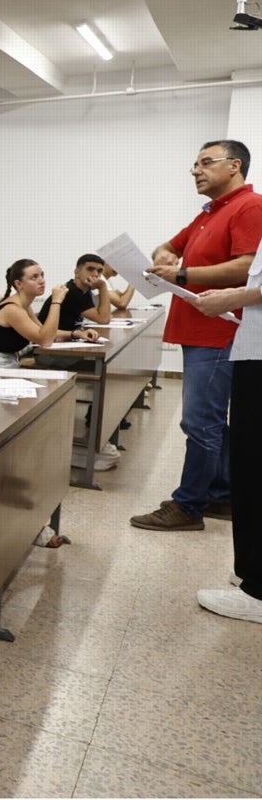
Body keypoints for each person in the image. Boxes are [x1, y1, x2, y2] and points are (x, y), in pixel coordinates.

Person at [131, 139, 262, 532]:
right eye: (194, 163)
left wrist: (183, 274)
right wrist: (165, 256)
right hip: (198, 327)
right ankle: (222, 494)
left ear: (234, 166)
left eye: (206, 162)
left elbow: (246, 267)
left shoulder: (249, 207)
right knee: (210, 422)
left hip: (219, 328)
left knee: (199, 422)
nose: (195, 170)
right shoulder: (210, 212)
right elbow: (169, 246)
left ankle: (188, 505)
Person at [187, 262, 262, 622]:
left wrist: (238, 296)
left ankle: (258, 590)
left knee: (253, 464)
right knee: (247, 462)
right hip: (253, 348)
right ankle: (252, 570)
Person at [0, 258, 100, 376]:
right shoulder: (13, 309)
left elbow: (47, 332)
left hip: (8, 362)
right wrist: (56, 302)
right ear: (19, 284)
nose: (41, 280)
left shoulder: (25, 306)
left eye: (42, 275)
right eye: (34, 277)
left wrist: (76, 334)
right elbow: (45, 340)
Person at [35, 253, 112, 330]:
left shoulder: (83, 289)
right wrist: (102, 287)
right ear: (77, 272)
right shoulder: (72, 292)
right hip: (50, 339)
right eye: (90, 269)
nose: (96, 274)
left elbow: (105, 317)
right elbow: (104, 319)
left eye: (99, 271)